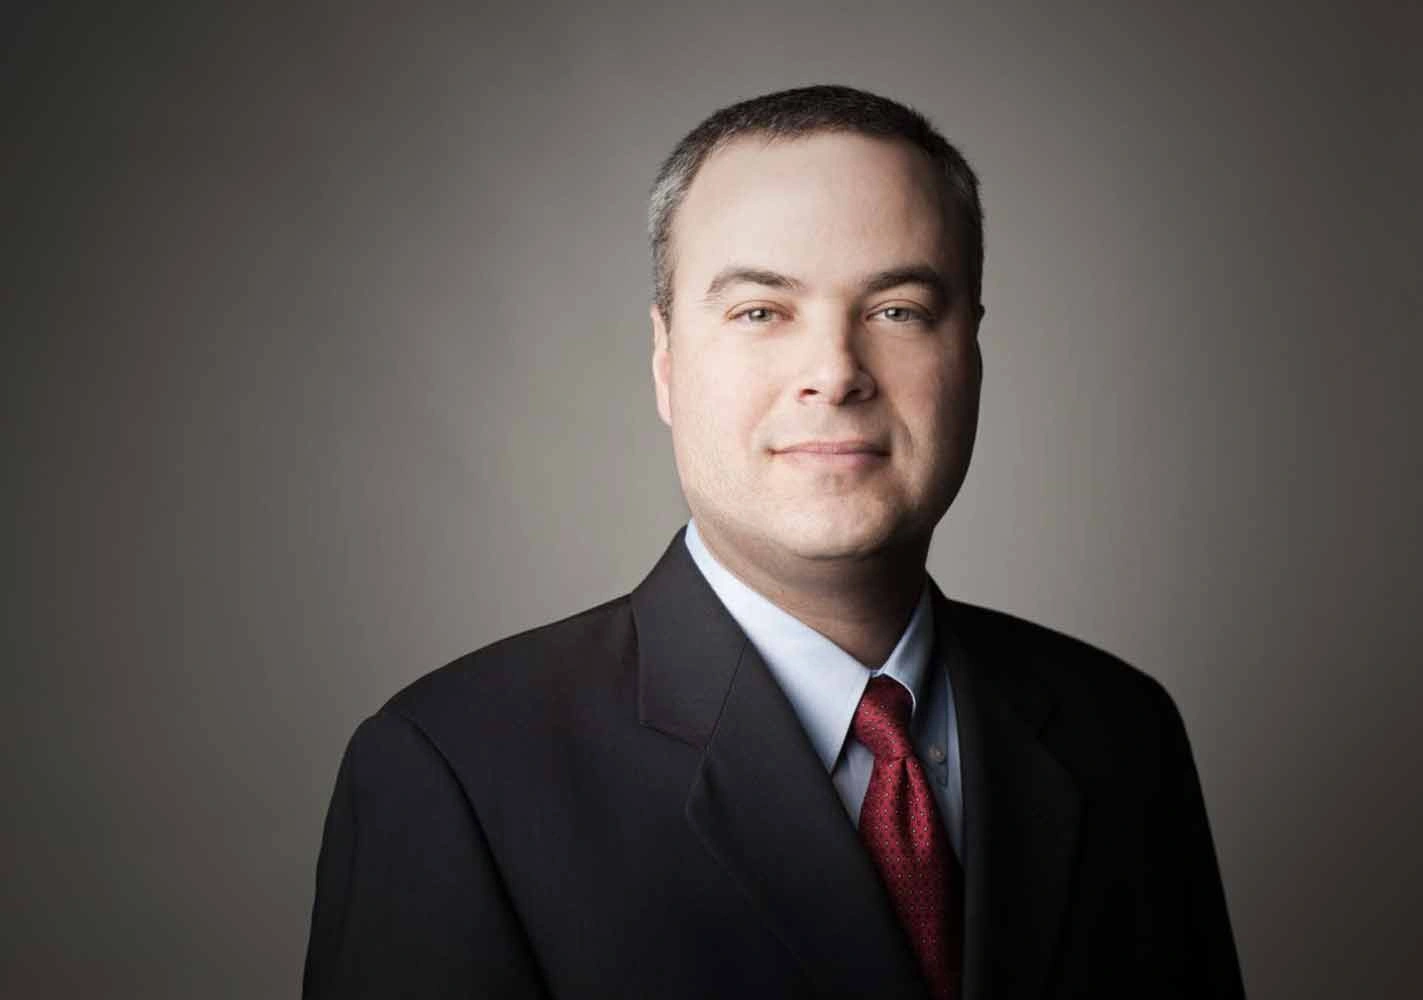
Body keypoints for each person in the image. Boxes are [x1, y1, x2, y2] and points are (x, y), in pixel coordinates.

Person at [302, 85, 1245, 999]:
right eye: (760, 311)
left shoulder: (1120, 732)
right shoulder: (453, 769)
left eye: (899, 312)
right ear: (665, 361)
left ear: (970, 357)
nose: (834, 373)